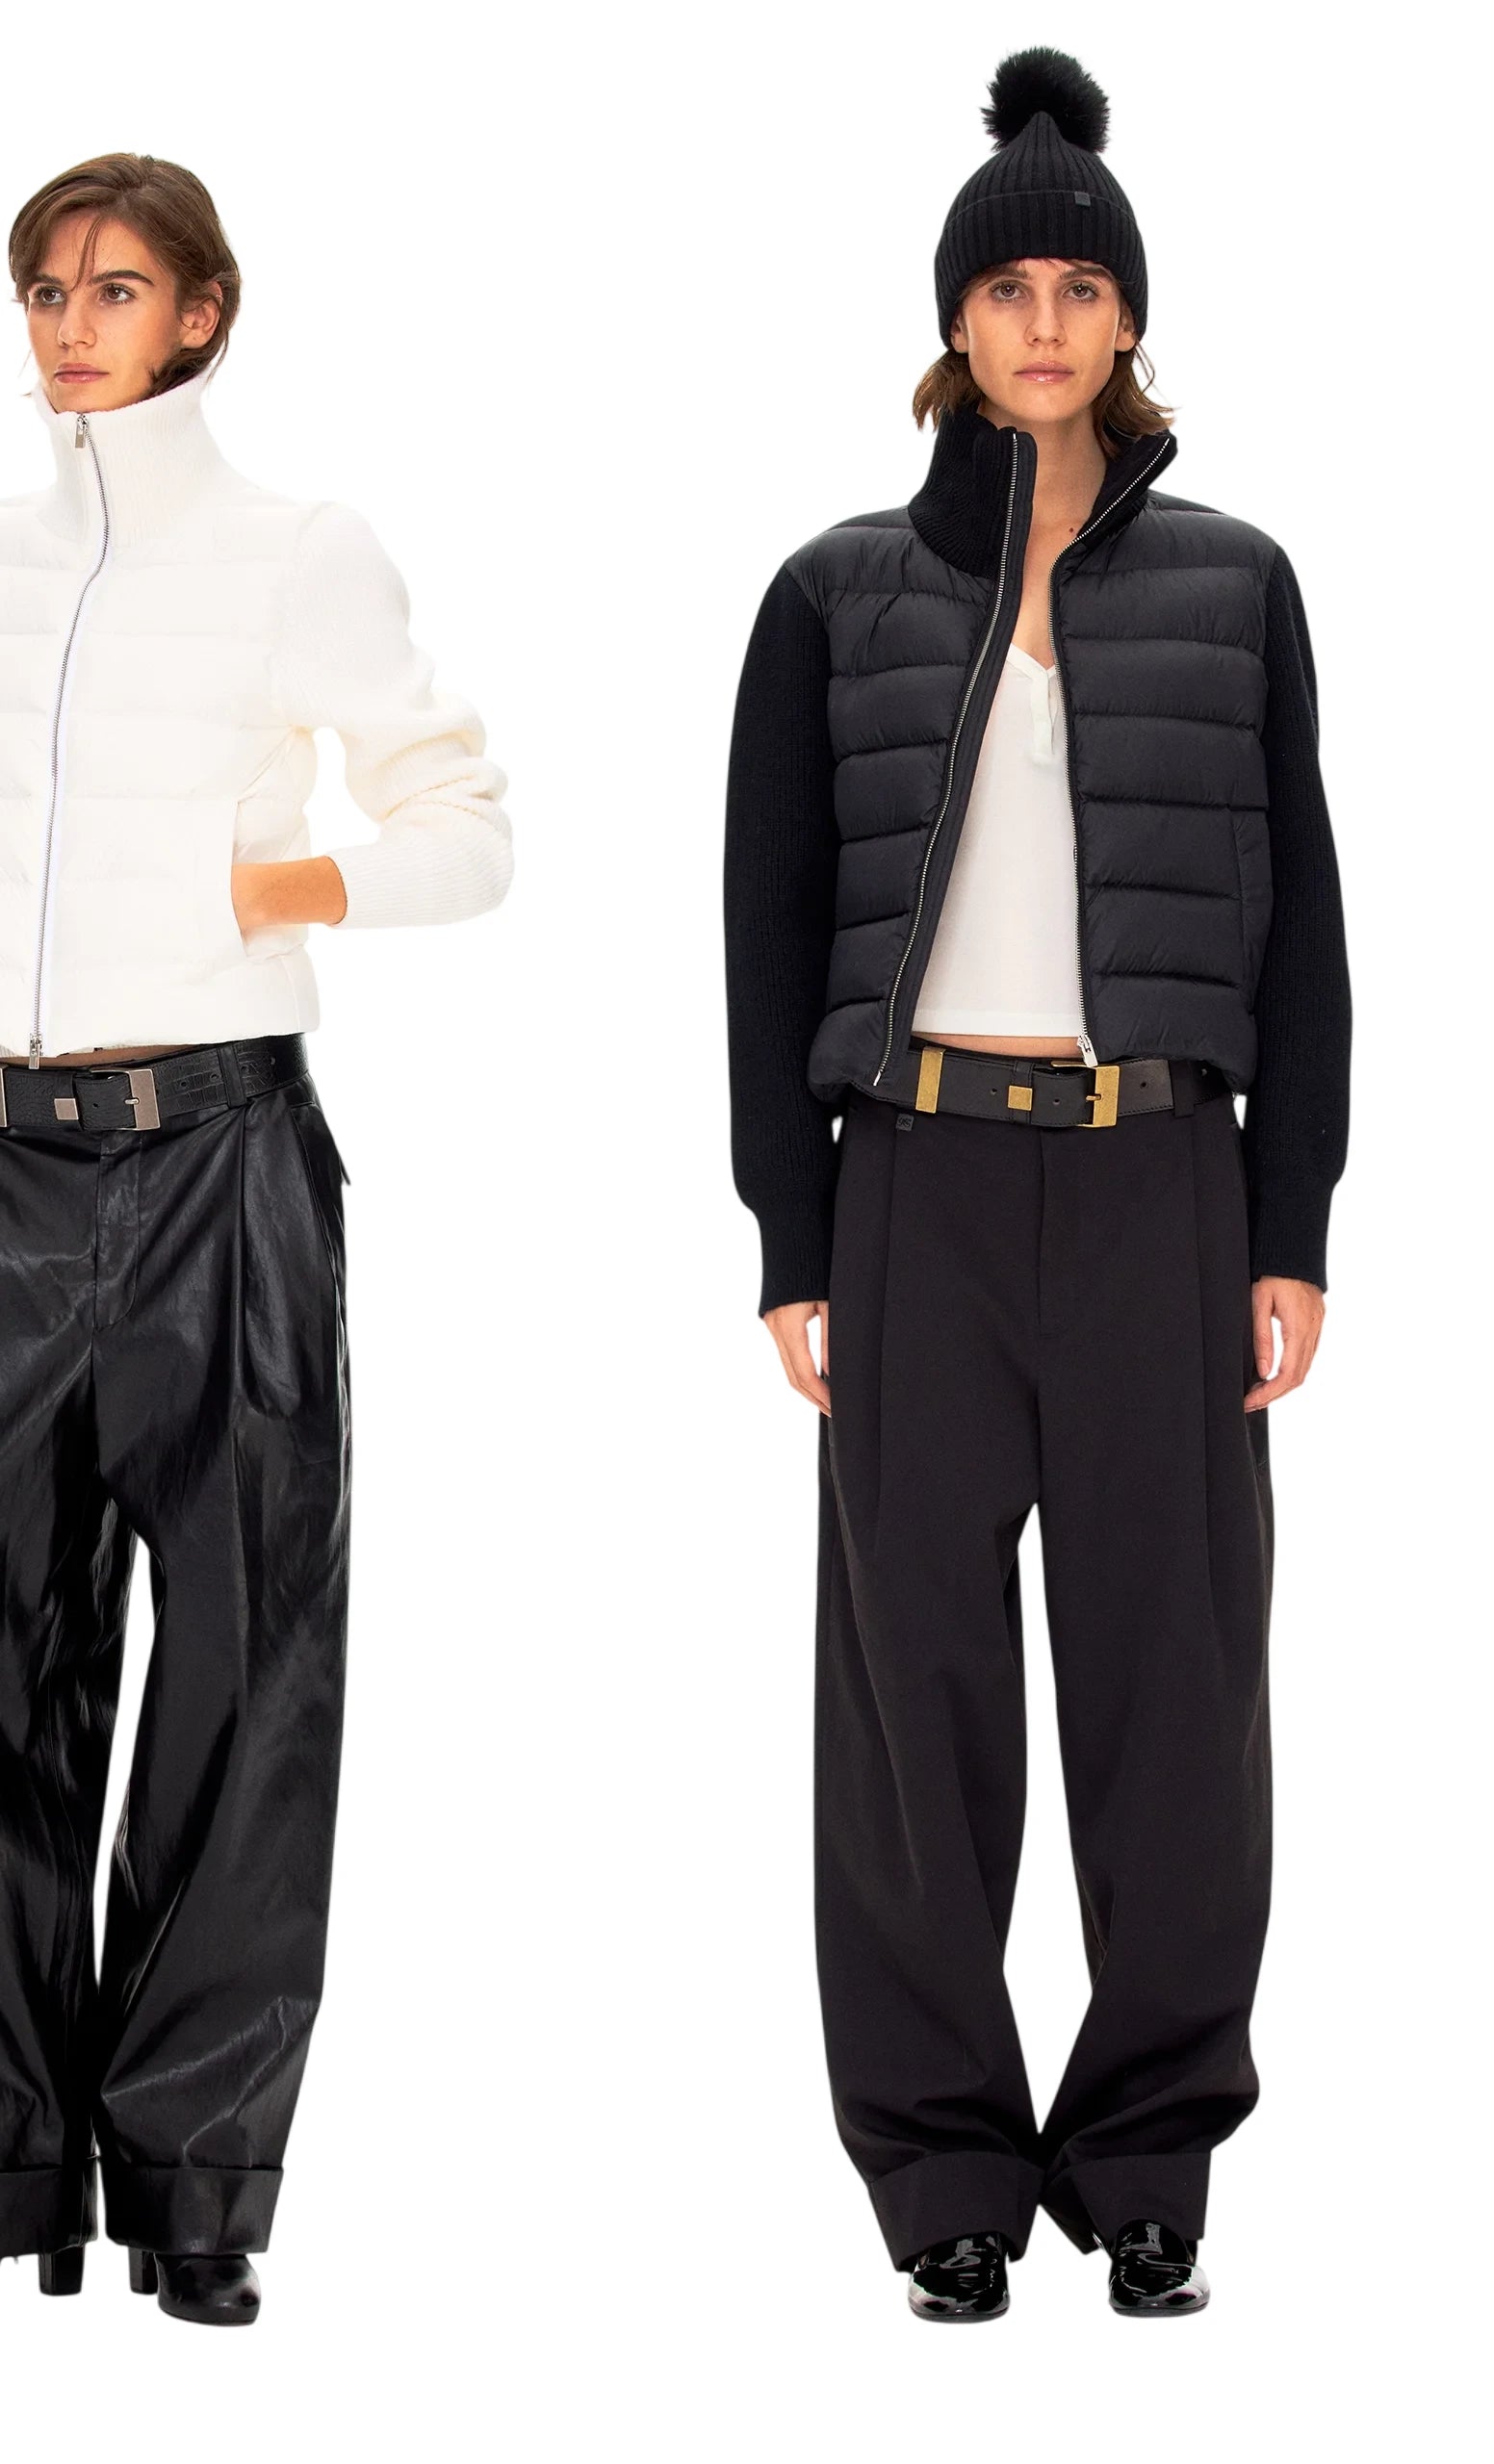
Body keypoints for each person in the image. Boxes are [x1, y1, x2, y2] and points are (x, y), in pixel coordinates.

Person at [0, 153, 512, 2324]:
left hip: (221, 1161)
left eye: (115, 288)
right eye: (44, 289)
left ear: (202, 311)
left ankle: (197, 2185)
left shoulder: (299, 552)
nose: (70, 324)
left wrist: (255, 894)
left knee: (242, 1671)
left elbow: (463, 826)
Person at [723, 48, 1349, 2322]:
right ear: (957, 322)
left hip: (1167, 1177)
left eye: (1084, 288)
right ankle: (945, 2172)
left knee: (1177, 1689)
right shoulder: (836, 595)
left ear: (1129, 319)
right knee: (915, 1701)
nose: (1049, 323)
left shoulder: (1238, 585)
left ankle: (1154, 2149)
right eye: (1012, 288)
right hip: (916, 1187)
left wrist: (1293, 1221)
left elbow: (1306, 921)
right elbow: (767, 924)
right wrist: (793, 1233)